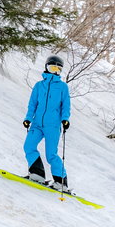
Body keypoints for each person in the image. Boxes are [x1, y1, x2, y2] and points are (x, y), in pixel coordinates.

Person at [23, 55, 71, 191]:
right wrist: (28, 118)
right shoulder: (39, 86)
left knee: (51, 154)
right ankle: (37, 174)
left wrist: (65, 119)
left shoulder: (62, 87)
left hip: (53, 126)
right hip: (37, 124)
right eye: (52, 67)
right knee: (28, 146)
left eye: (58, 69)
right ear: (46, 67)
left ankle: (61, 181)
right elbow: (32, 104)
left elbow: (65, 106)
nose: (55, 71)